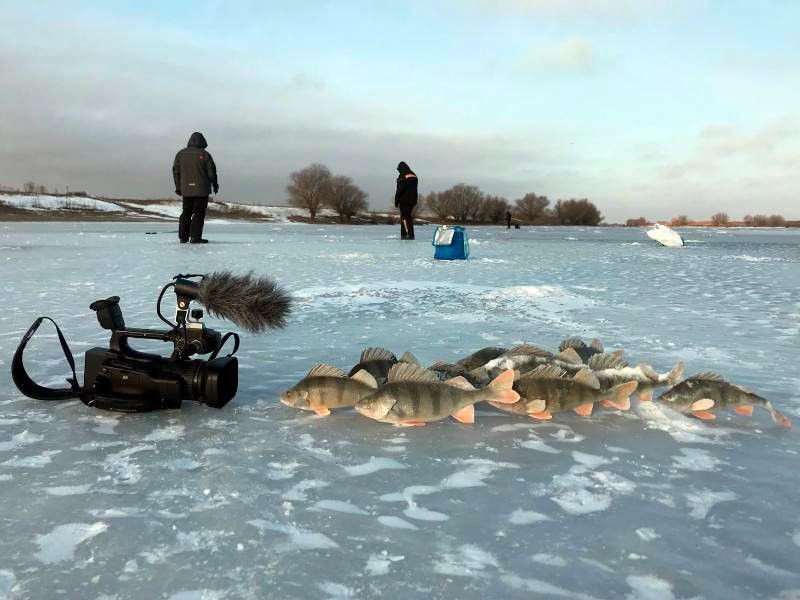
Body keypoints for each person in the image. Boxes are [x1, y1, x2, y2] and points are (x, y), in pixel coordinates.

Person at [173, 132, 218, 244]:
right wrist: (215, 184)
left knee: (186, 212)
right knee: (199, 213)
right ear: (202, 142)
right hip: (202, 191)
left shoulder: (180, 154)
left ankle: (183, 237)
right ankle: (195, 237)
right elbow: (211, 171)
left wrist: (178, 187)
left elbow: (176, 172)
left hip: (186, 190)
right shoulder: (205, 154)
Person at [394, 161, 418, 240]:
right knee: (408, 217)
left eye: (399, 170)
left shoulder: (403, 175)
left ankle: (407, 235)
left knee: (404, 218)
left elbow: (400, 189)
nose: (399, 171)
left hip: (404, 200)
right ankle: (408, 234)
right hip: (413, 200)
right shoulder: (414, 175)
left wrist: (396, 200)